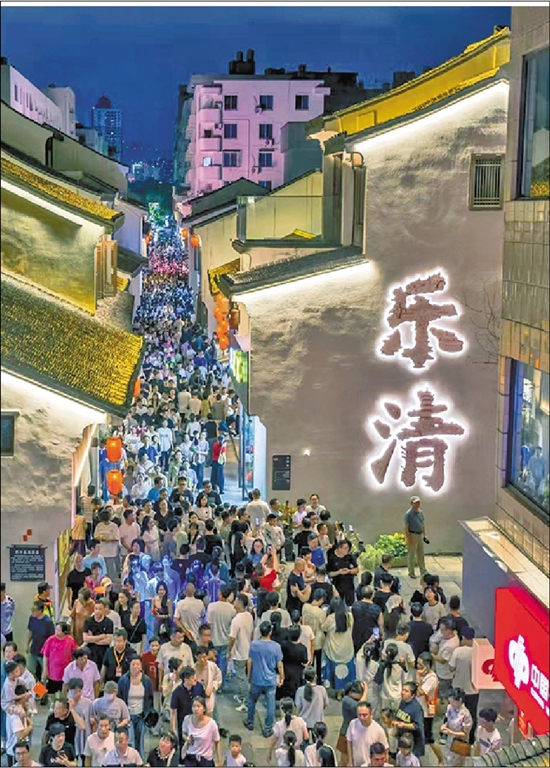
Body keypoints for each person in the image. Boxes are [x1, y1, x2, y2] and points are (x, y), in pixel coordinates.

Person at [244, 620, 284, 738]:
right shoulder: (276, 646)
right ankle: (267, 728)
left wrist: (249, 676)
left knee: (252, 700)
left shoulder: (254, 645)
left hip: (256, 678)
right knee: (270, 704)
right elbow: (279, 664)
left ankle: (250, 722)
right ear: (270, 632)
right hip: (270, 680)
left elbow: (249, 661)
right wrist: (281, 677)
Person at [117, 655, 154, 757]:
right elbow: (120, 698)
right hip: (127, 715)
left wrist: (148, 713)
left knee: (140, 740)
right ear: (129, 666)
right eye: (133, 664)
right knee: (129, 739)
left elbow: (150, 698)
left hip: (141, 715)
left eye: (138, 664)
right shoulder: (123, 680)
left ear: (141, 666)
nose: (135, 667)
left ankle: (139, 760)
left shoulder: (146, 680)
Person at [449, 626, 478, 745]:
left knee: (454, 711)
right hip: (473, 690)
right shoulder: (477, 653)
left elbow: (451, 668)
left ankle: (451, 734)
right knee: (472, 714)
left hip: (458, 687)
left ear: (464, 637)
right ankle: (470, 739)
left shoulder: (458, 651)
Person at [322, 598, 355, 695]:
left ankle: (338, 692)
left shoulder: (330, 619)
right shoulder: (349, 617)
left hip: (334, 651)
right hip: (347, 650)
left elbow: (323, 628)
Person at [227, 593, 253, 711]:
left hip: (239, 653)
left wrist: (229, 651)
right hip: (248, 650)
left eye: (236, 600)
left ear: (240, 603)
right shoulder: (249, 616)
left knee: (241, 678)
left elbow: (232, 638)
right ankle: (242, 696)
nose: (234, 602)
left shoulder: (236, 620)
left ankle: (245, 702)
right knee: (244, 677)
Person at [205, 584, 235, 686]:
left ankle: (211, 683)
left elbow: (208, 624)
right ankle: (221, 685)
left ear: (220, 593)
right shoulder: (232, 609)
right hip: (226, 641)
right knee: (223, 665)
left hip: (213, 640)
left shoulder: (211, 607)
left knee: (212, 664)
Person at [170, 667, 206, 749]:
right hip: (184, 724)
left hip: (198, 722)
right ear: (186, 680)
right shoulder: (177, 692)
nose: (195, 679)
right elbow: (174, 712)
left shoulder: (199, 687)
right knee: (184, 747)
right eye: (192, 678)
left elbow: (204, 704)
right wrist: (173, 730)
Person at [181, 696, 221, 767]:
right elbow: (184, 733)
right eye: (194, 706)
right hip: (191, 756)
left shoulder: (211, 724)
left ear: (204, 709)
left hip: (205, 758)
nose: (196, 709)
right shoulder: (187, 719)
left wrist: (219, 760)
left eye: (198, 706)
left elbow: (217, 741)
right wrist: (186, 738)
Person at [346, 701, 388, 767]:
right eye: (359, 715)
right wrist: (351, 762)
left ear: (371, 714)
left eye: (364, 715)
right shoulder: (353, 724)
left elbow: (385, 749)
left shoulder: (378, 730)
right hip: (356, 764)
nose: (361, 718)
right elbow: (349, 743)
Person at [42, 621, 78, 696]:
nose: (56, 632)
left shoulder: (70, 640)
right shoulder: (50, 640)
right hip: (53, 671)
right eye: (56, 630)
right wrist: (45, 669)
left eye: (59, 630)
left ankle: (61, 701)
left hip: (65, 671)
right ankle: (44, 699)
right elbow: (45, 655)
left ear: (64, 632)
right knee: (49, 691)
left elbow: (75, 653)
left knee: (64, 690)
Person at [415, 652, 440, 760]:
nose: (418, 666)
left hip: (426, 711)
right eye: (417, 663)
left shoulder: (432, 679)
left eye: (420, 664)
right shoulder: (423, 674)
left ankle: (440, 758)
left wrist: (417, 678)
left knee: (429, 738)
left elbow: (420, 692)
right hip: (419, 708)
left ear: (427, 665)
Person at [268, 698, 309, 763]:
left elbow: (273, 741)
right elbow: (306, 737)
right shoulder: (301, 721)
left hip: (283, 753)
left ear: (281, 709)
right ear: (293, 709)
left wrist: (269, 753)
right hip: (297, 752)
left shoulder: (279, 725)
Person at [429, 617, 460, 704]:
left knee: (444, 694)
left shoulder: (451, 645)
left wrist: (432, 655)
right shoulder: (445, 635)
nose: (440, 632)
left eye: (442, 630)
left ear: (449, 631)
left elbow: (443, 660)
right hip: (439, 670)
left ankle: (445, 708)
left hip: (445, 674)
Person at [440, 687, 473, 767]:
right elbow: (448, 720)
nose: (451, 704)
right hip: (449, 740)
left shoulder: (465, 714)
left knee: (456, 763)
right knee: (447, 759)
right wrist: (444, 726)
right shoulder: (450, 708)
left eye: (453, 702)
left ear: (460, 700)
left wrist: (451, 732)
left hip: (459, 742)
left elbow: (465, 733)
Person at [392, 682, 425, 761]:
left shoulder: (416, 708)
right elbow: (399, 716)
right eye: (403, 690)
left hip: (413, 740)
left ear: (412, 695)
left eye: (406, 691)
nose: (403, 692)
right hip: (403, 736)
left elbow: (417, 726)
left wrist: (404, 725)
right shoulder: (403, 702)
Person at [301, 589, 327, 685]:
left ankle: (306, 679)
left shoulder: (305, 607)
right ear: (321, 599)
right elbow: (323, 626)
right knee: (318, 662)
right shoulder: (321, 612)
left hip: (305, 638)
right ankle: (318, 680)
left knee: (308, 661)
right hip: (317, 640)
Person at [26, 600, 54, 685]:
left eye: (34, 610)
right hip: (34, 649)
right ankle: (34, 687)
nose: (33, 612)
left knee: (44, 674)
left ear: (40, 611)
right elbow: (30, 632)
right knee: (31, 670)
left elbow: (51, 639)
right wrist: (27, 645)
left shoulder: (48, 622)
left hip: (43, 653)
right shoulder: (32, 618)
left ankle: (42, 690)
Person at [82, 601, 114, 670]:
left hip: (103, 650)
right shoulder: (88, 621)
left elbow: (108, 640)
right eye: (96, 609)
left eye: (100, 609)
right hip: (90, 650)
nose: (97, 611)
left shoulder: (109, 622)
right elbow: (85, 638)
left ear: (104, 610)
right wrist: (101, 637)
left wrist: (92, 638)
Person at [351, 586, 383, 654]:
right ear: (372, 595)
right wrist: (381, 635)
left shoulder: (354, 606)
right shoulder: (377, 609)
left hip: (356, 635)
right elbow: (381, 625)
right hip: (370, 636)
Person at [327, 539, 358, 607]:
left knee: (350, 605)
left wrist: (349, 571)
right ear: (339, 548)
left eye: (348, 548)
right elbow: (329, 574)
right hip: (337, 586)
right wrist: (338, 572)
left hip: (349, 586)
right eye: (345, 548)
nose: (347, 550)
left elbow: (357, 569)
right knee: (338, 606)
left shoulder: (350, 557)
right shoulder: (332, 558)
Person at [279, 625, 308, 700]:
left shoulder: (284, 645)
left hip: (286, 670)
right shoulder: (302, 648)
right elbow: (305, 660)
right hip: (297, 673)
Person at [404, 497, 427, 579]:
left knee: (421, 554)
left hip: (419, 534)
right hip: (412, 534)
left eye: (418, 503)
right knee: (412, 554)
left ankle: (423, 571)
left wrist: (424, 534)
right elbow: (406, 527)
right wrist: (409, 538)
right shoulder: (408, 514)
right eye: (415, 503)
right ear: (411, 503)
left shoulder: (420, 512)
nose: (417, 504)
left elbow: (422, 523)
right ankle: (411, 572)